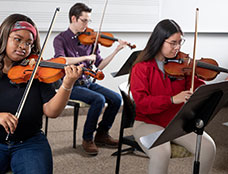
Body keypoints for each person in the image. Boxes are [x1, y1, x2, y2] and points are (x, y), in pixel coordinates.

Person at [0, 13, 82, 174]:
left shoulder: (36, 73)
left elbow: (51, 112)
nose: (23, 46)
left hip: (30, 141)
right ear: (4, 37)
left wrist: (67, 85)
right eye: (17, 39)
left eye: (28, 43)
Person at [129, 19, 216, 174]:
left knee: (208, 148)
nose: (177, 48)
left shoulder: (182, 66)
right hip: (147, 122)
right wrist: (172, 99)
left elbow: (198, 86)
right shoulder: (141, 68)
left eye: (180, 42)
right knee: (161, 153)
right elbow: (142, 103)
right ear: (159, 41)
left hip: (176, 121)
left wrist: (212, 87)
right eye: (173, 43)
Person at [53, 2, 129, 155]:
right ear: (74, 18)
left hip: (87, 82)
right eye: (84, 20)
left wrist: (116, 51)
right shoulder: (60, 39)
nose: (87, 24)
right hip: (70, 85)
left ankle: (102, 134)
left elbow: (99, 66)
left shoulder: (91, 39)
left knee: (116, 99)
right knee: (99, 99)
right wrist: (86, 57)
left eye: (88, 21)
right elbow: (61, 61)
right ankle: (88, 138)